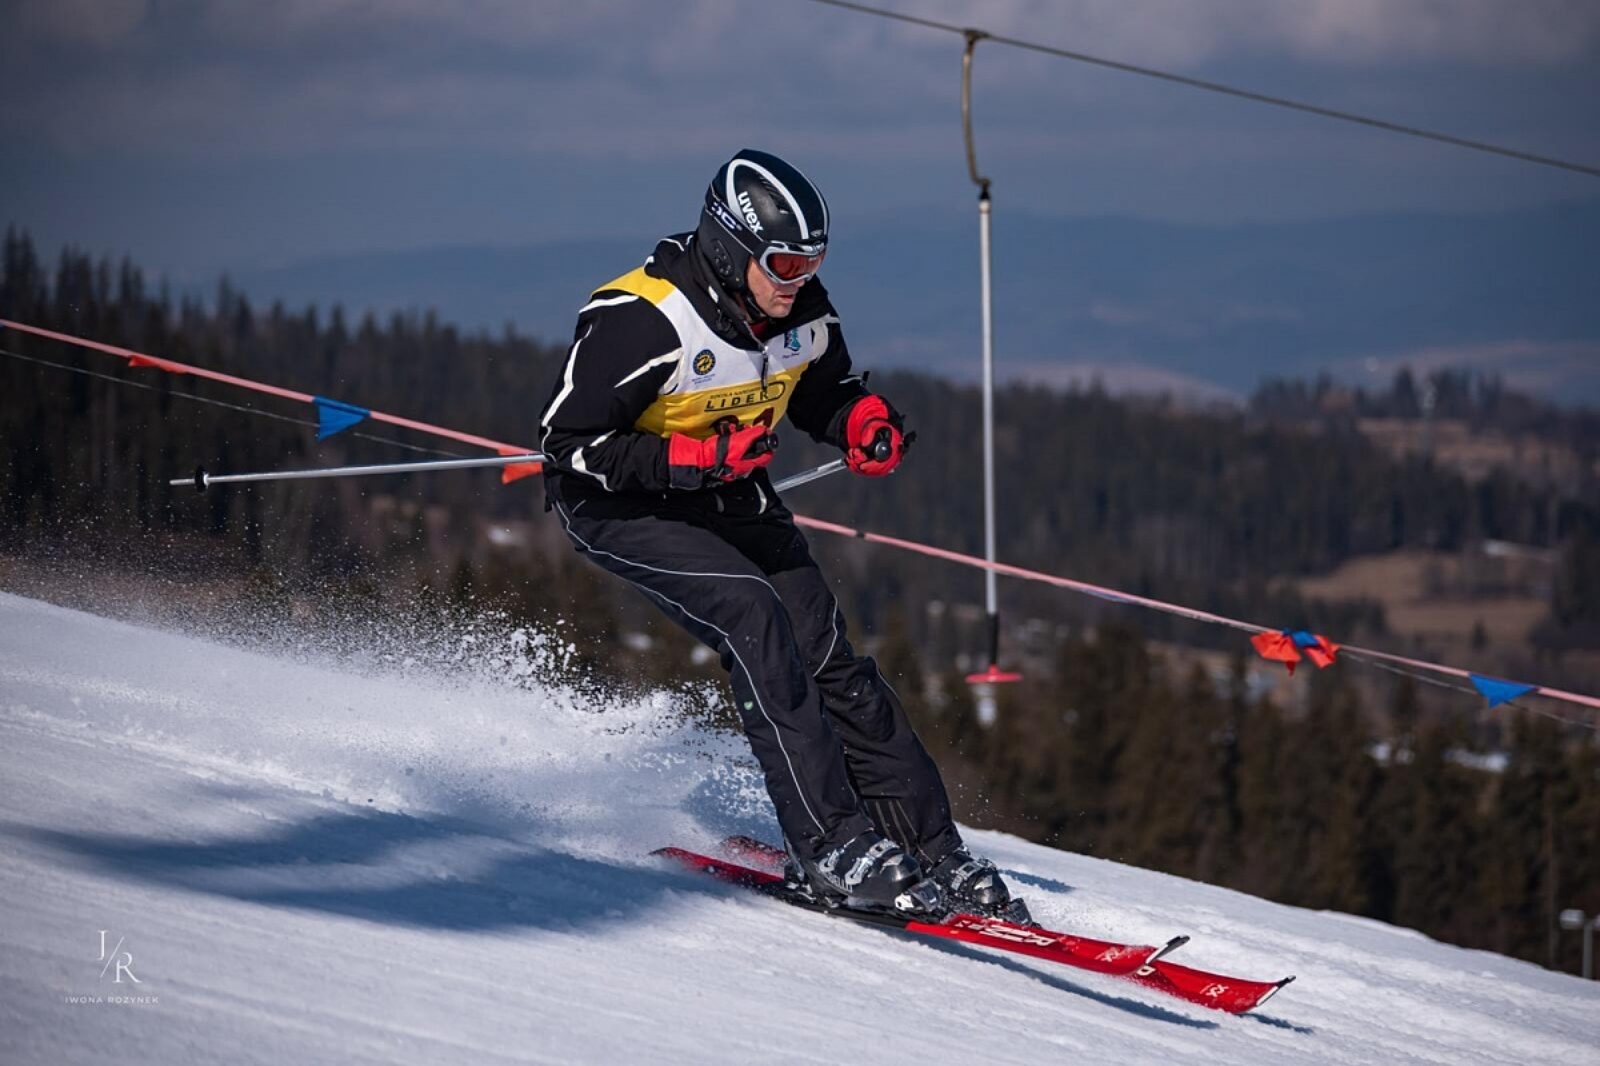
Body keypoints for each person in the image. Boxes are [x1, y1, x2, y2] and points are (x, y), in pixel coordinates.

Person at [538, 148, 1026, 922]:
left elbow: (824, 389)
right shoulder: (642, 318)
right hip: (619, 504)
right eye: (785, 263)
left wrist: (859, 422)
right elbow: (565, 445)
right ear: (729, 248)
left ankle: (933, 848)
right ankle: (831, 846)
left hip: (728, 489)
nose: (798, 280)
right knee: (754, 616)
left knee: (829, 654)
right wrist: (685, 460)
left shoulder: (801, 306)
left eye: (813, 262)